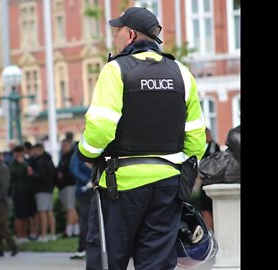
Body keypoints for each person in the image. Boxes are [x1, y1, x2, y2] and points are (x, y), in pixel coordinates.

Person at [76, 7, 206, 270]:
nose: (115, 36)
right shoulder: (181, 73)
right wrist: (181, 173)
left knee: (107, 261)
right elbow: (196, 138)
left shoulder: (115, 70)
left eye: (118, 31)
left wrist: (85, 155)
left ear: (131, 35)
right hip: (167, 186)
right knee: (157, 264)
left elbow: (101, 128)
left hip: (120, 187)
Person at [198, 128, 221, 230]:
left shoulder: (213, 146)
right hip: (205, 182)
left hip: (209, 182)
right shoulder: (206, 147)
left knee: (207, 209)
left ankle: (210, 230)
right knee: (205, 209)